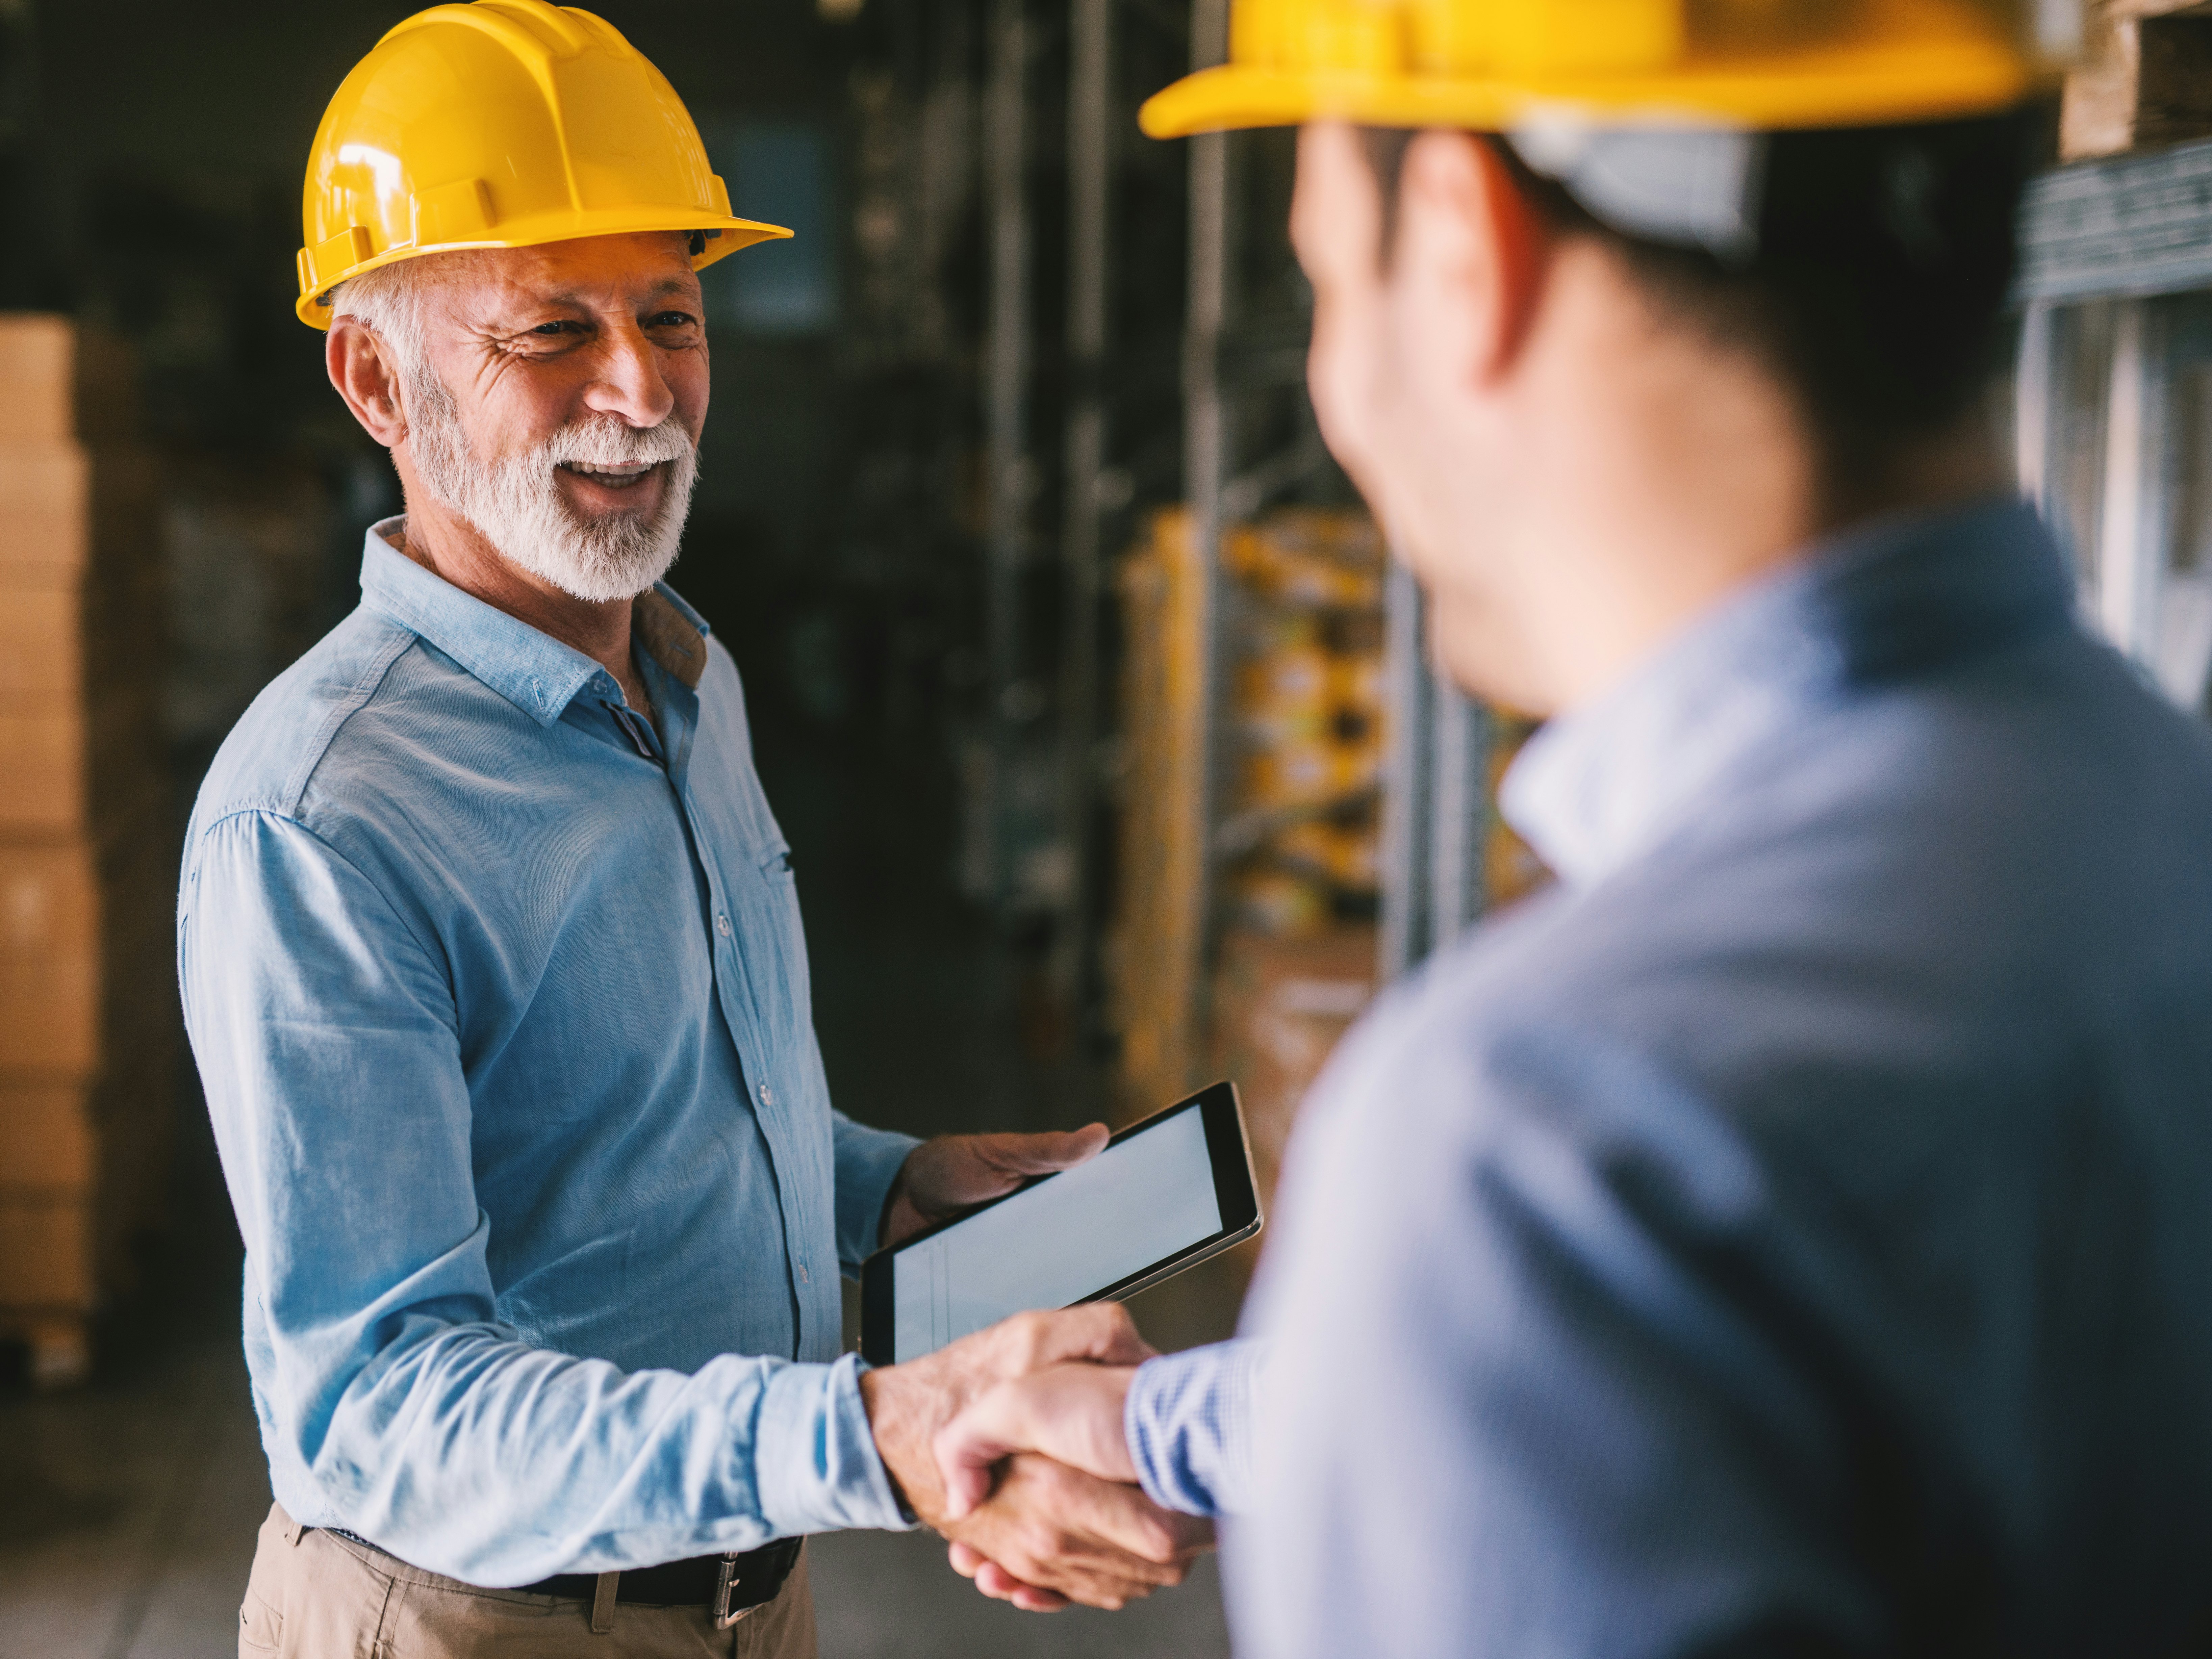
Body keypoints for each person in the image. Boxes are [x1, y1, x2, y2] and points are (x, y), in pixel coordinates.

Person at [917, 0, 2212, 1652]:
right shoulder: (2154, 817)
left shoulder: (1542, 1140)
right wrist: (1181, 1427)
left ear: (1461, 244)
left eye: (1320, 277)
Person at [183, 5, 1203, 1655]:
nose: (642, 388)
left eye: (673, 313)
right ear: (376, 376)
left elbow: (629, 1116)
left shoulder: (686, 670)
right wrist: (872, 1431)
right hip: (478, 1622)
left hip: (752, 1592)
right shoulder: (321, 822)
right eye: (551, 335)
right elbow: (377, 1402)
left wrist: (878, 1185)